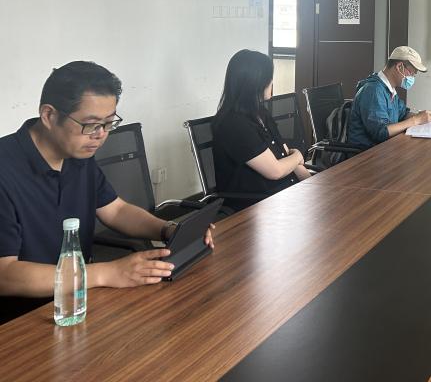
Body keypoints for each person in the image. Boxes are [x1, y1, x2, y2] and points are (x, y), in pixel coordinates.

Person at [0, 61, 214, 324]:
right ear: (49, 116)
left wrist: (168, 230)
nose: (100, 135)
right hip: (22, 321)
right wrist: (106, 273)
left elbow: (116, 210)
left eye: (109, 123)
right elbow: (4, 274)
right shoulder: (6, 169)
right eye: (91, 125)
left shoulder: (77, 154)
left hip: (80, 300)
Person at [212, 50, 310, 211]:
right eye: (269, 78)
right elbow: (276, 171)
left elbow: (285, 156)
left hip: (284, 194)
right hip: (257, 205)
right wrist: (298, 155)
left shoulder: (261, 113)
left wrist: (313, 186)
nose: (272, 82)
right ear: (255, 83)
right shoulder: (233, 124)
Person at [347, 46, 431, 151]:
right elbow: (381, 133)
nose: (412, 77)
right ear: (399, 67)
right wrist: (416, 120)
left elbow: (403, 114)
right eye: (412, 73)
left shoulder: (389, 89)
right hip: (366, 155)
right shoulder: (373, 90)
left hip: (384, 149)